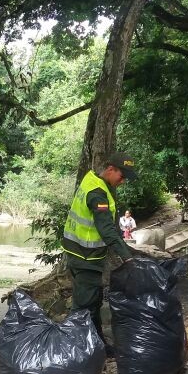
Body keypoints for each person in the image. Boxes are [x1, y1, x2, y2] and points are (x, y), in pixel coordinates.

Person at [61, 152, 137, 356]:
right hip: (86, 257)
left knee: (92, 303)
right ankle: (72, 352)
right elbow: (106, 229)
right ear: (111, 169)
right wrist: (126, 255)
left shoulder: (92, 179)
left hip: (79, 253)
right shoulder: (97, 193)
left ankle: (98, 346)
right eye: (122, 176)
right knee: (83, 307)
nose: (122, 182)